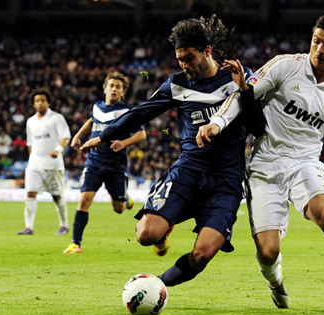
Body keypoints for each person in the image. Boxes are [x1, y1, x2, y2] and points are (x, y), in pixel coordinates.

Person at [197, 13, 324, 315]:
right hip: (265, 165)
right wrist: (217, 122)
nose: (319, 50)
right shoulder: (285, 65)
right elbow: (242, 92)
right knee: (269, 251)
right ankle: (275, 282)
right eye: (316, 41)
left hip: (305, 164)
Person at [80, 15, 265, 285]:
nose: (184, 65)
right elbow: (139, 113)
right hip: (189, 170)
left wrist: (245, 91)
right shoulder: (176, 84)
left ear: (207, 51)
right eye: (180, 59)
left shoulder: (238, 76)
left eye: (189, 58)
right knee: (146, 235)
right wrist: (104, 136)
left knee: (202, 254)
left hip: (226, 179)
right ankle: (167, 223)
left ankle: (158, 286)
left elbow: (258, 128)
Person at [63, 72, 147, 254]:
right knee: (84, 200)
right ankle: (75, 243)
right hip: (93, 161)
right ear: (105, 88)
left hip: (115, 165)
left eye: (118, 87)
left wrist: (123, 143)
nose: (114, 89)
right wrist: (78, 135)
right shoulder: (97, 107)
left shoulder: (127, 111)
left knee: (119, 209)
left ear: (123, 91)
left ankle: (124, 198)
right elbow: (92, 120)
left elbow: (142, 134)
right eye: (111, 86)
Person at [18, 88, 71, 235]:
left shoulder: (56, 118)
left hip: (53, 164)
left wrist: (59, 150)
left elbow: (66, 137)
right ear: (33, 104)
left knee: (56, 195)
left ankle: (64, 225)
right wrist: (31, 159)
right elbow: (30, 143)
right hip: (34, 163)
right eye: (36, 101)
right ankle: (28, 227)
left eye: (42, 100)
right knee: (30, 193)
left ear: (47, 102)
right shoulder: (30, 121)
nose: (39, 103)